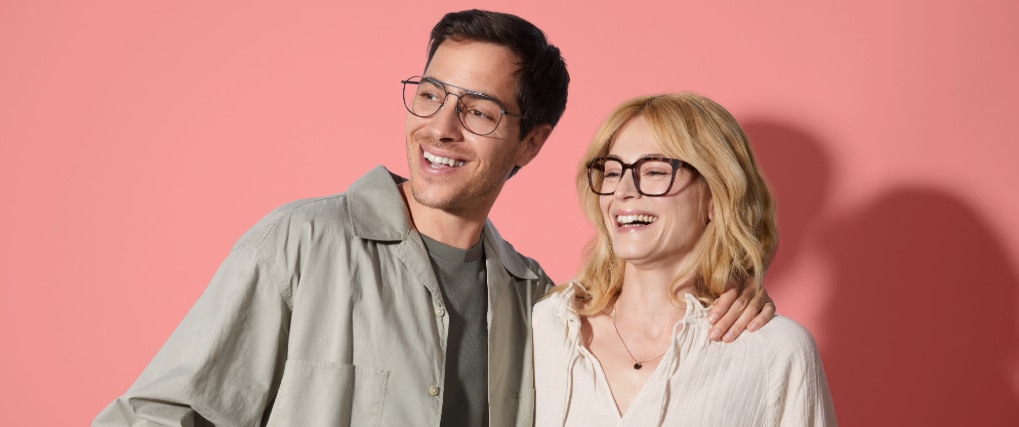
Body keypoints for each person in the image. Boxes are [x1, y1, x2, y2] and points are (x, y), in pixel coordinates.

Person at [94, 11, 773, 427]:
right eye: (429, 96)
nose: (439, 129)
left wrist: (735, 290)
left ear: (530, 143)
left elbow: (642, 331)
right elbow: (158, 416)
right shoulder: (302, 244)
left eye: (477, 111)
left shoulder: (539, 303)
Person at [533, 93, 836, 426]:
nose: (622, 191)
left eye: (654, 171)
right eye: (612, 171)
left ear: (716, 198)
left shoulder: (776, 352)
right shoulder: (546, 327)